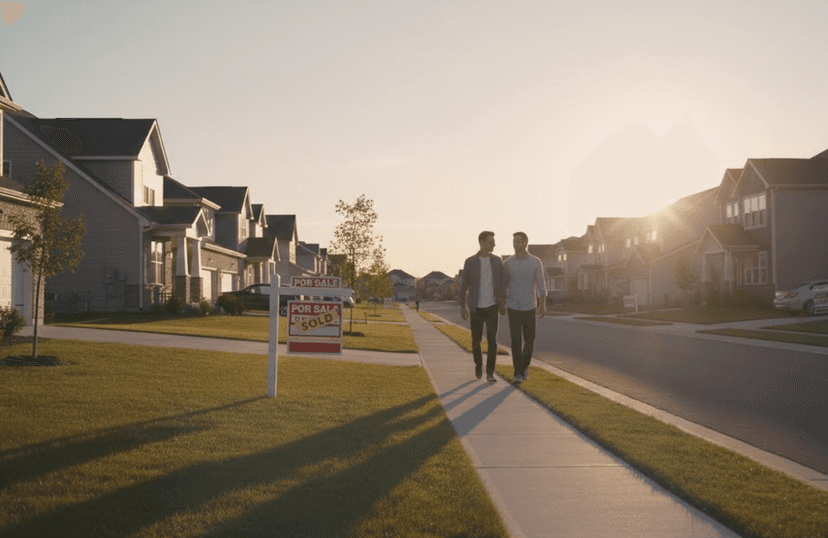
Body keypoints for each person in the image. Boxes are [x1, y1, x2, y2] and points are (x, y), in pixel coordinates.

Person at [459, 231, 506, 382]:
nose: (494, 244)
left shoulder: (497, 261)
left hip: (492, 307)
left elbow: (503, 283)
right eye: (491, 242)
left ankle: (490, 372)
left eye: (494, 241)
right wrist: (462, 306)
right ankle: (478, 365)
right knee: (476, 341)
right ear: (482, 243)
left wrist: (502, 302)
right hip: (476, 308)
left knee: (492, 341)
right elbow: (463, 285)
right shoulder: (470, 262)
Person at [504, 231, 547, 384]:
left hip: (530, 307)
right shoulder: (508, 263)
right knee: (515, 341)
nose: (516, 244)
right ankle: (518, 372)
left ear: (525, 243)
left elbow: (541, 284)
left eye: (518, 241)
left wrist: (542, 305)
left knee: (530, 340)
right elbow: (503, 285)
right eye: (514, 241)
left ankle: (524, 366)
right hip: (513, 307)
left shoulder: (536, 262)